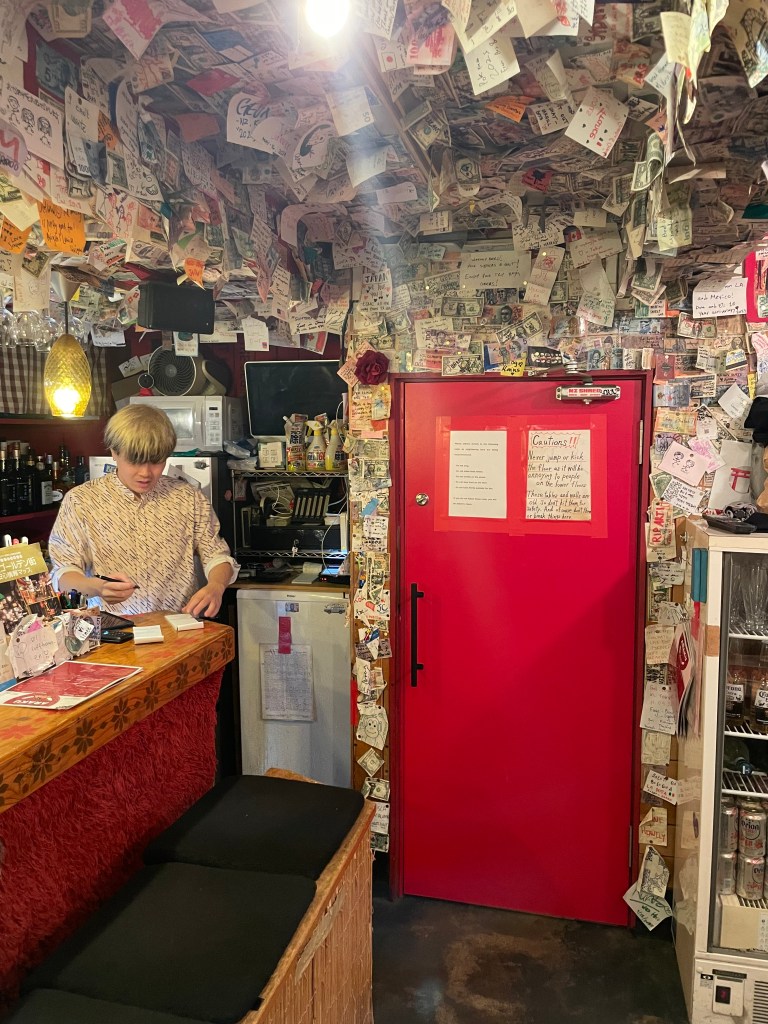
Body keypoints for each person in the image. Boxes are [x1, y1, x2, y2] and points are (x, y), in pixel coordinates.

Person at [49, 405, 239, 618]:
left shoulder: (188, 498)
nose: (146, 473)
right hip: (112, 633)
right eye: (135, 461)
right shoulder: (81, 501)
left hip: (179, 628)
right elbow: (63, 573)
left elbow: (217, 555)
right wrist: (97, 588)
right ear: (114, 452)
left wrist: (216, 586)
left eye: (157, 462)